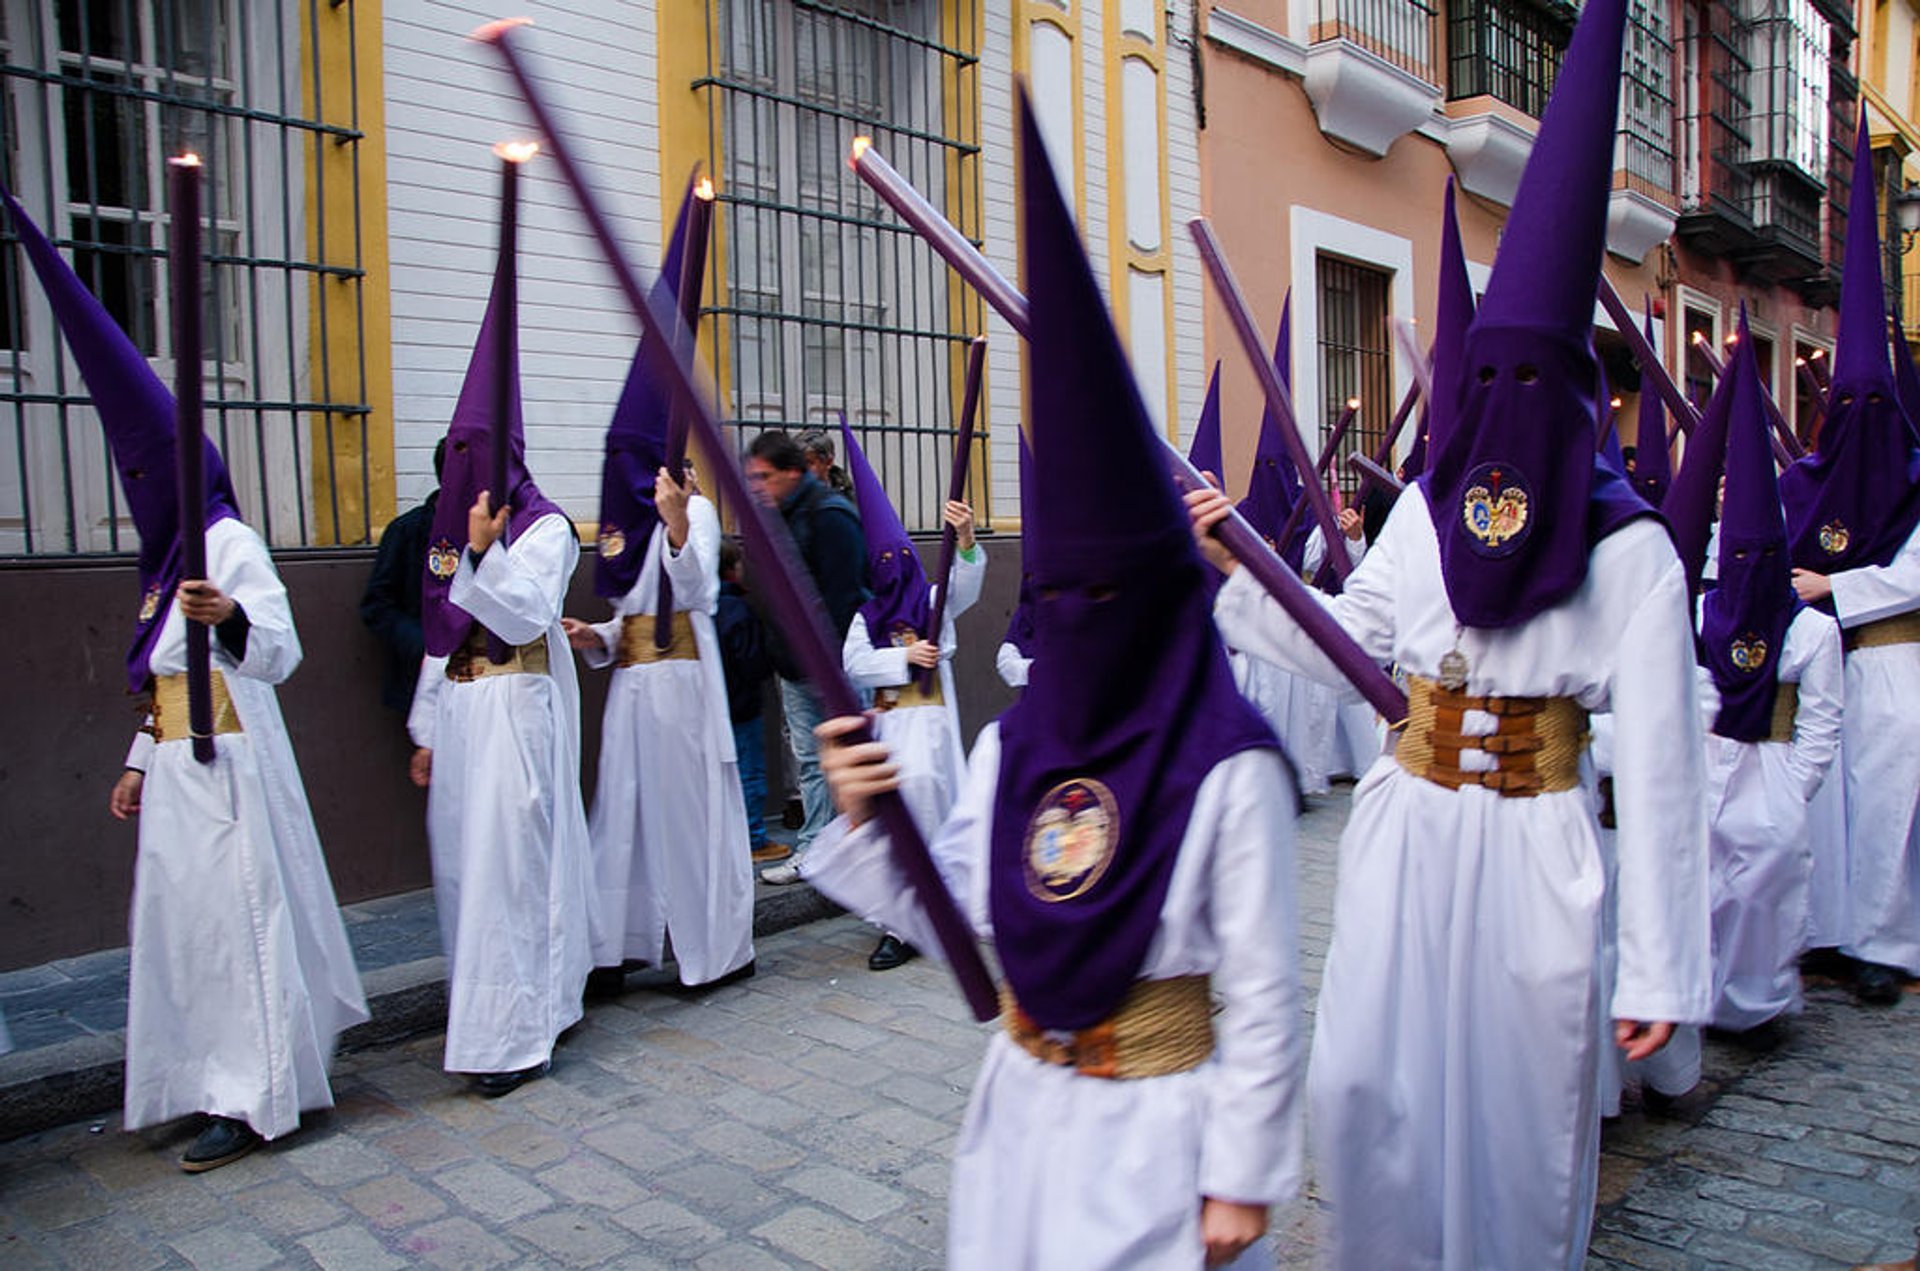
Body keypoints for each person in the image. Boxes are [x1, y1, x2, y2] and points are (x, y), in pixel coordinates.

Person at [1189, 3, 1708, 1263]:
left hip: (1535, 848)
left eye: (1534, 381)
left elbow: (1666, 766)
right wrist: (1242, 570)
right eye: (1490, 381)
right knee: (1367, 1087)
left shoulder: (1630, 547)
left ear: (1576, 398)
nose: (1504, 412)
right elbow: (1356, 633)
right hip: (1404, 826)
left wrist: (1658, 967)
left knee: (1519, 1119)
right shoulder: (1427, 515)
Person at [806, 95, 1304, 1267]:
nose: (1083, 628)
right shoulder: (1014, 749)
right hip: (1019, 1113)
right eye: (1062, 599)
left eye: (1108, 601)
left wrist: (1241, 1170)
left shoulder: (1229, 769)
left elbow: (1271, 991)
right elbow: (968, 923)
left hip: (1157, 1135)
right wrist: (872, 811)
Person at [4, 188, 368, 1172]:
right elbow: (159, 676)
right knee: (184, 934)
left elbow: (280, 650)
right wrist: (136, 757)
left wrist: (232, 615)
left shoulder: (227, 539)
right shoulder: (164, 559)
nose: (137, 495)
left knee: (237, 924)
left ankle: (256, 1095)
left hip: (232, 766)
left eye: (144, 480)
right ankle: (201, 1074)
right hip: (177, 765)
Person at [406, 206, 594, 1097]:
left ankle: (521, 1029)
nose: (462, 469)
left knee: (514, 868)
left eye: (475, 453)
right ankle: (480, 1013)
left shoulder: (545, 527)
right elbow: (441, 633)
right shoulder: (450, 532)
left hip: (518, 708)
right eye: (453, 455)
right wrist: (426, 726)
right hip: (465, 712)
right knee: (463, 875)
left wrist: (483, 553)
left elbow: (520, 617)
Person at [563, 196, 755, 994]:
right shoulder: (620, 526)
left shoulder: (695, 508)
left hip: (682, 685)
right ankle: (620, 944)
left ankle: (713, 949)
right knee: (625, 818)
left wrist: (678, 525)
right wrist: (599, 638)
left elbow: (700, 592)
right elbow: (632, 615)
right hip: (635, 686)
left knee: (685, 817)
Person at [1781, 116, 1920, 1008]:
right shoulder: (1808, 482)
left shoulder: (1915, 481)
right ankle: (1822, 930)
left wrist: (1838, 584)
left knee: (1888, 812)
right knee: (1825, 804)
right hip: (1820, 667)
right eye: (1850, 399)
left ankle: (1883, 939)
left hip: (1897, 662)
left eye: (1877, 401)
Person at [837, 415, 986, 969]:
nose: (892, 570)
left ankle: (945, 913)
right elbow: (855, 663)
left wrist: (966, 539)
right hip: (892, 726)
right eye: (883, 564)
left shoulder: (931, 598)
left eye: (899, 558)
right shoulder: (866, 616)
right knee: (894, 819)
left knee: (937, 807)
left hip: (934, 727)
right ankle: (897, 923)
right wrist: (904, 656)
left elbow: (965, 590)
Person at [745, 429, 869, 883]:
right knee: (811, 761)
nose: (757, 486)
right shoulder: (773, 516)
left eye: (765, 476)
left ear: (794, 472)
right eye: (752, 478)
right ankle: (814, 850)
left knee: (851, 758)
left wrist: (829, 661)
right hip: (792, 662)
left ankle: (868, 853)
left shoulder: (832, 515)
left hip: (832, 664)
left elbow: (846, 597)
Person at [360, 439, 443, 714]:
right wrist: (423, 648)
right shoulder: (407, 531)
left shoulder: (499, 532)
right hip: (423, 680)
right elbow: (377, 606)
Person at [716, 538, 779, 862]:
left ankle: (726, 838)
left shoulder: (701, 609)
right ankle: (753, 838)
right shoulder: (739, 610)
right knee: (750, 773)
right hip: (743, 706)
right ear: (732, 570)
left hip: (713, 707)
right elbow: (752, 661)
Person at [797, 426, 856, 499]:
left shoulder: (847, 496)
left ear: (828, 462)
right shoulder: (787, 494)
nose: (801, 469)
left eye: (809, 463)